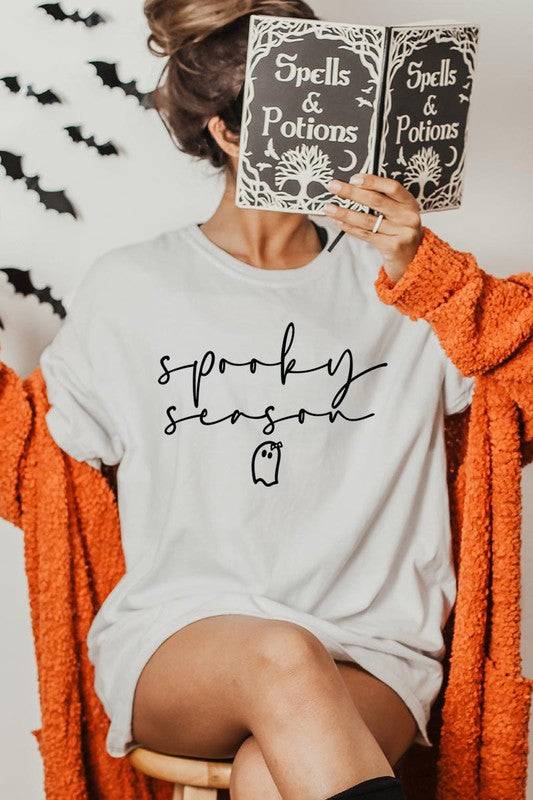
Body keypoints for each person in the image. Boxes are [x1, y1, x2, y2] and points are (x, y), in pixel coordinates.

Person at [37, 2, 479, 799]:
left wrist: (426, 270)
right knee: (281, 653)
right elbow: (45, 454)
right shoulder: (129, 289)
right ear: (229, 133)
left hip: (370, 651)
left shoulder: (414, 289)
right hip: (181, 644)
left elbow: (517, 387)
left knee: (272, 777)